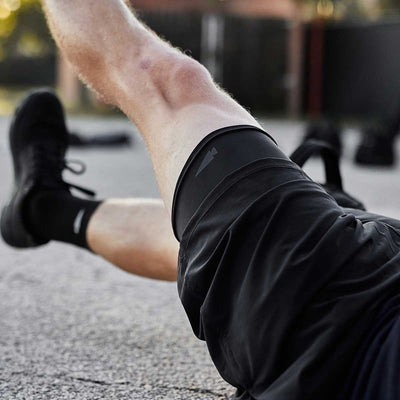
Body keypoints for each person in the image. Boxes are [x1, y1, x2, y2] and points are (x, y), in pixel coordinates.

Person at [2, 1, 400, 399]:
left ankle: (42, 208)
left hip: (352, 327)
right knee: (211, 236)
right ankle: (45, 209)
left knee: (169, 81)